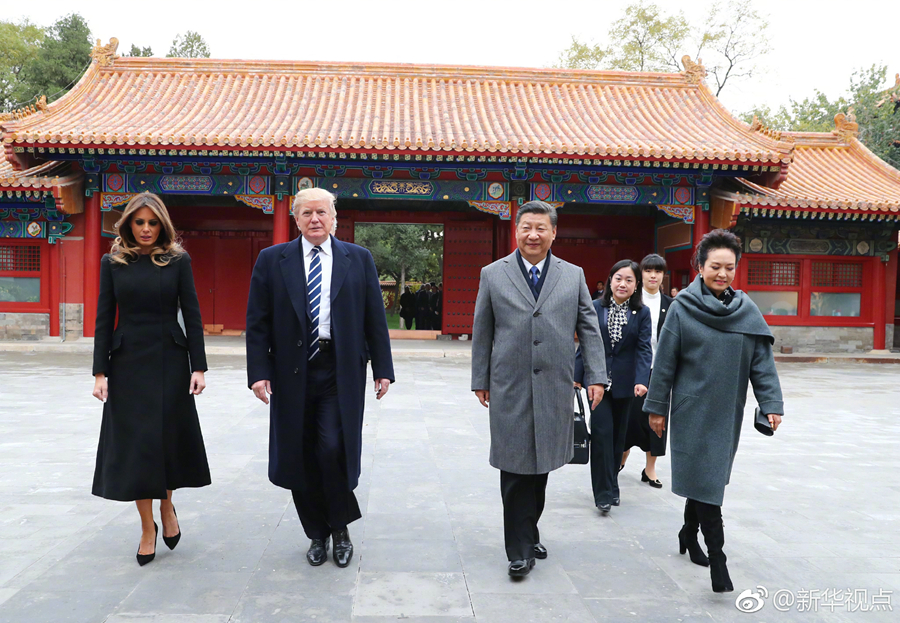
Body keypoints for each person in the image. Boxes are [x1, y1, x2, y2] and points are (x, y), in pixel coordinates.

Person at [246, 187, 394, 569]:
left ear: (334, 218)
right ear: (295, 219)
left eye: (322, 212)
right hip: (291, 372)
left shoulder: (357, 259)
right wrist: (258, 373)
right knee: (299, 453)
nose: (315, 219)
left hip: (338, 369)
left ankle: (340, 528)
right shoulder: (272, 260)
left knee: (331, 449)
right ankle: (317, 532)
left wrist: (383, 369)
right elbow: (257, 321)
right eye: (307, 213)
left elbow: (374, 318)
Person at [471, 200, 606, 578]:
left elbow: (589, 327)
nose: (533, 235)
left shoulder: (572, 275)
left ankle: (529, 530)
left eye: (541, 228)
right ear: (516, 231)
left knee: (542, 464)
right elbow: (482, 330)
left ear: (553, 232)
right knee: (515, 465)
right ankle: (519, 549)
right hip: (509, 384)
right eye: (526, 227)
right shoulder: (493, 274)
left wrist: (596, 375)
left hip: (553, 384)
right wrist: (480, 379)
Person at [644, 229, 784, 593]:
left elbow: (762, 364)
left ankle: (688, 533)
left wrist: (771, 403)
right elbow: (665, 363)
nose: (722, 274)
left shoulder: (746, 311)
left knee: (706, 481)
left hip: (727, 413)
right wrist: (657, 408)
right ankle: (718, 561)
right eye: (715, 266)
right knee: (705, 481)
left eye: (729, 267)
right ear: (700, 266)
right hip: (691, 411)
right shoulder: (682, 308)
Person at [91, 192, 211, 567]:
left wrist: (198, 366)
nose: (146, 229)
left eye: (153, 222)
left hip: (170, 360)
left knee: (166, 440)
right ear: (129, 224)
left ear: (163, 225)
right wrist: (99, 372)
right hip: (127, 362)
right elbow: (103, 318)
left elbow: (192, 313)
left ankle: (167, 506)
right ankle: (147, 527)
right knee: (137, 447)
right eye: (139, 222)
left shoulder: (178, 260)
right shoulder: (113, 262)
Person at [574, 259, 651, 514]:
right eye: (618, 278)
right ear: (610, 280)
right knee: (601, 434)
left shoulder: (642, 313)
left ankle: (613, 484)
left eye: (629, 280)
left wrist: (642, 379)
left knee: (619, 438)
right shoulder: (595, 307)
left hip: (626, 383)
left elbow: (644, 349)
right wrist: (576, 375)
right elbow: (586, 343)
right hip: (596, 382)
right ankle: (603, 494)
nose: (622, 284)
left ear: (636, 285)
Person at [621, 253, 673, 487]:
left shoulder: (671, 305)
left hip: (659, 372)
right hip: (632, 370)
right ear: (640, 274)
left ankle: (650, 468)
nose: (653, 275)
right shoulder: (630, 301)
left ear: (663, 275)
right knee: (629, 417)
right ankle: (621, 458)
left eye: (658, 271)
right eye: (648, 270)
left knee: (657, 420)